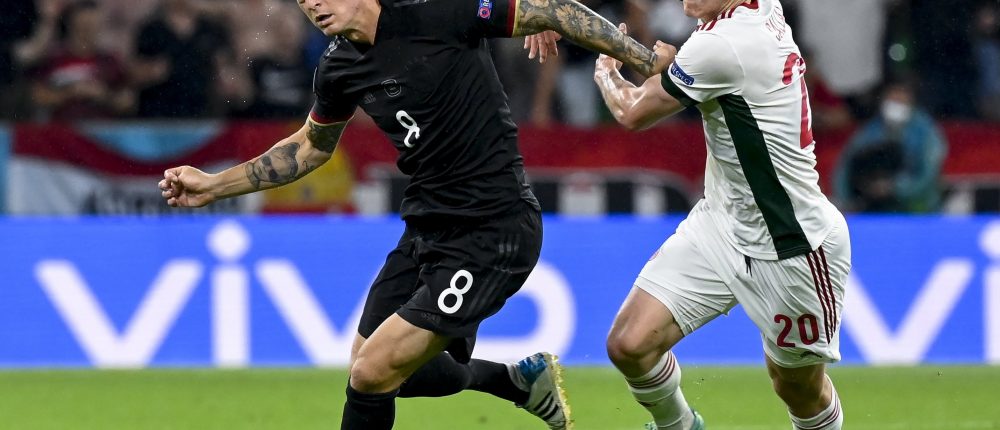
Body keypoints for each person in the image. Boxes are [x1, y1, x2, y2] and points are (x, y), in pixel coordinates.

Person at [159, 0, 667, 429]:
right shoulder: (339, 67)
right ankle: (515, 382)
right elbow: (310, 148)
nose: (312, 5)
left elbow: (552, 10)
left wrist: (648, 63)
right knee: (369, 367)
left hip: (494, 228)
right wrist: (214, 185)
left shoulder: (437, 12)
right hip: (426, 227)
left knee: (372, 372)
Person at [588, 0, 850, 429]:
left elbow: (632, 110)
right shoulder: (750, 15)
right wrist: (675, 67)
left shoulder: (723, 44)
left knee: (797, 388)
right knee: (629, 344)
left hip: (791, 243)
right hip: (721, 223)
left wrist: (605, 68)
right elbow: (713, 73)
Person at [834, 80, 947, 213]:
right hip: (876, 209)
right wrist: (848, 201)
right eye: (892, 100)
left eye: (901, 101)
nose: (896, 105)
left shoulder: (926, 132)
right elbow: (845, 168)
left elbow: (929, 173)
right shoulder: (870, 131)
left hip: (920, 209)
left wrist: (895, 187)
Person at [28, 0, 134, 121]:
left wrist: (103, 95)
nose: (87, 32)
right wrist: (71, 92)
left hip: (101, 129)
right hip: (63, 129)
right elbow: (37, 96)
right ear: (71, 25)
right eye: (83, 26)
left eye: (92, 26)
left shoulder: (109, 61)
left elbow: (127, 102)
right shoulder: (54, 58)